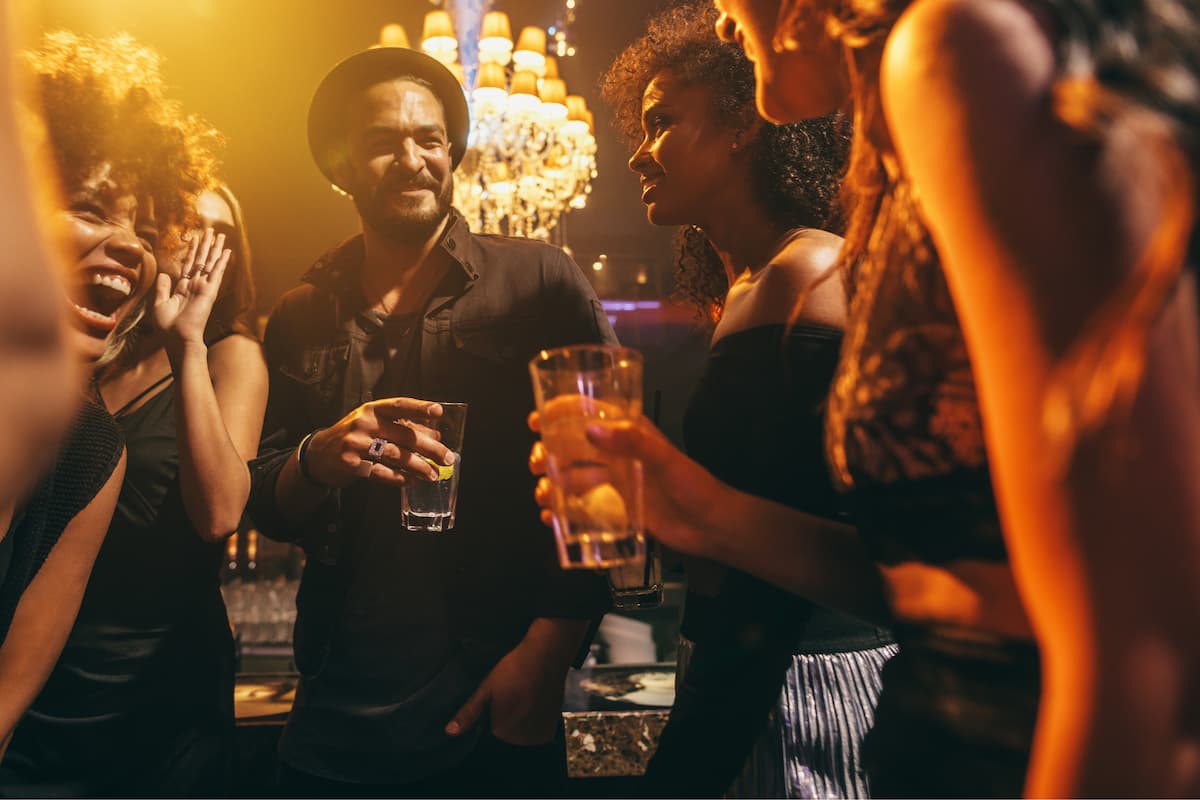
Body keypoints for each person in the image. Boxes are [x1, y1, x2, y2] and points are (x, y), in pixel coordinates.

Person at [536, 0, 1200, 795]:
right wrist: (697, 510)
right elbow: (942, 582)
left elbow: (1139, 640)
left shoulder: (954, 44)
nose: (721, 23)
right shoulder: (894, 168)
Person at [244, 46, 615, 797]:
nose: (412, 159)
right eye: (383, 142)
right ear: (340, 164)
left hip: (491, 698)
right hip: (332, 717)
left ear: (453, 152)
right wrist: (317, 457)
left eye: (430, 139)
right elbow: (259, 503)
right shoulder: (299, 316)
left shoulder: (540, 279)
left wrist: (547, 654)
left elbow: (604, 478)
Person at [596, 5, 893, 797]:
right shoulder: (752, 285)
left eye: (662, 122)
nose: (637, 153)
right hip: (749, 663)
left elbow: (869, 532)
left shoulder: (809, 273)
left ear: (742, 126)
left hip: (800, 679)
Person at [2, 32, 267, 797]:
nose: (190, 253)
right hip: (62, 667)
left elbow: (220, 514)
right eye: (185, 233)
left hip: (153, 679)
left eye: (148, 231)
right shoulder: (83, 364)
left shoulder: (224, 358)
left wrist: (188, 342)